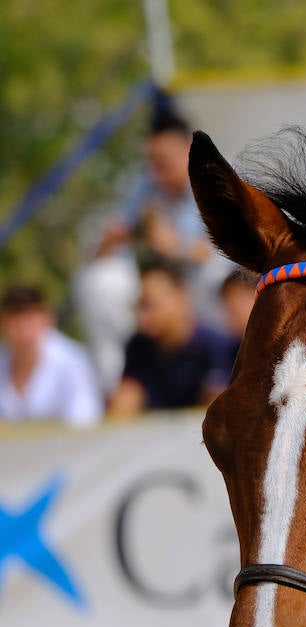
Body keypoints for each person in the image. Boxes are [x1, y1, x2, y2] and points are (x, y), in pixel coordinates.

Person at [72, 108, 228, 391]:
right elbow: (99, 251)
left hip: (197, 288)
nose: (156, 173)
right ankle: (115, 387)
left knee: (215, 275)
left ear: (189, 152)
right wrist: (121, 236)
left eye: (163, 163)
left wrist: (174, 247)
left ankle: (224, 371)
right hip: (155, 286)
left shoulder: (218, 181)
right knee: (98, 282)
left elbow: (225, 252)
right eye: (152, 163)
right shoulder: (144, 187)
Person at [106, 256, 236, 418]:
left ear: (180, 297)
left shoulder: (220, 348)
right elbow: (124, 402)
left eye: (148, 305)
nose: (141, 316)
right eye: (139, 306)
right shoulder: (138, 347)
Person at [0, 284, 102, 427]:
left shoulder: (73, 361)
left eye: (30, 319)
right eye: (15, 321)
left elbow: (83, 421)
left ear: (46, 318)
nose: (23, 330)